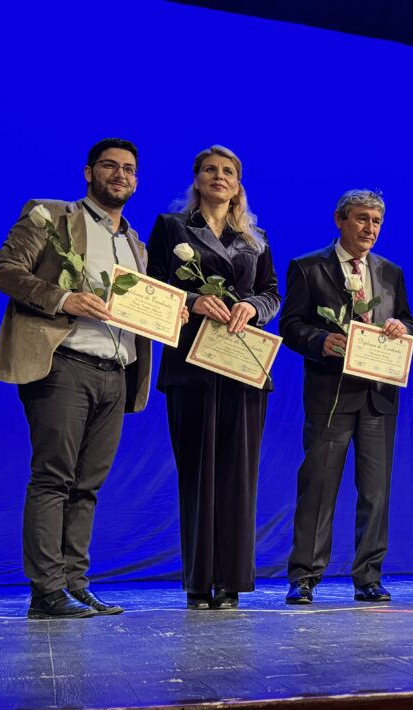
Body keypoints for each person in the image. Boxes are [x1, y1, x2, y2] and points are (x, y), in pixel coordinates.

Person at [0, 138, 156, 619]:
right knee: (54, 478)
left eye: (129, 169)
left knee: (87, 486)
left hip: (117, 373)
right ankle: (46, 590)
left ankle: (76, 585)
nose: (120, 174)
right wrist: (64, 299)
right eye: (110, 165)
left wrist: (170, 316)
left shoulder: (136, 244)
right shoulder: (52, 215)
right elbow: (3, 271)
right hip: (64, 365)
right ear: (88, 172)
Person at [146, 145, 281, 610]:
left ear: (238, 185)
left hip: (243, 366)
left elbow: (271, 293)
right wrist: (191, 300)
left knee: (238, 477)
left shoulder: (257, 237)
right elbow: (152, 284)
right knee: (198, 475)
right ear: (197, 179)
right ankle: (199, 581)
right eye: (210, 170)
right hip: (191, 365)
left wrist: (253, 307)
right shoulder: (172, 227)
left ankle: (231, 582)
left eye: (227, 171)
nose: (218, 176)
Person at [279, 189, 413, 605]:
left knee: (375, 493)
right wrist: (320, 341)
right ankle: (304, 576)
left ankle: (369, 577)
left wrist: (400, 328)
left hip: (378, 396)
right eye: (361, 219)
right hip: (331, 395)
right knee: (318, 488)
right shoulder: (308, 267)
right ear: (340, 220)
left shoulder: (390, 271)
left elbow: (407, 320)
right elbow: (290, 325)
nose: (369, 228)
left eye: (376, 222)